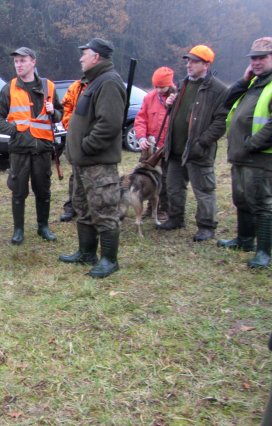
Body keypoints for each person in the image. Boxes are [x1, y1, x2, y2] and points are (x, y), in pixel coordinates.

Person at [58, 38, 126, 278]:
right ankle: (86, 253)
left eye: (84, 54)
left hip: (98, 163)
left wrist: (86, 146)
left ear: (96, 56)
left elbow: (109, 124)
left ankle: (109, 260)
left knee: (104, 208)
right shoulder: (94, 82)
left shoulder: (108, 82)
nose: (80, 58)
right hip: (83, 162)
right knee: (83, 206)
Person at [0, 47, 63, 245]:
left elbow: (60, 113)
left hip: (43, 149)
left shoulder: (49, 86)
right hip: (19, 150)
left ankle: (43, 227)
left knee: (43, 190)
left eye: (23, 60)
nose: (19, 65)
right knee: (18, 191)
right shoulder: (9, 88)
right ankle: (18, 231)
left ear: (33, 62)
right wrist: (13, 130)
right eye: (16, 61)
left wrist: (53, 113)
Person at [156, 45, 228, 242]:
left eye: (194, 61)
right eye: (188, 61)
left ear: (206, 64)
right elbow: (180, 114)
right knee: (173, 187)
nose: (189, 65)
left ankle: (206, 227)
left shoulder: (218, 89)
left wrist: (202, 143)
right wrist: (170, 106)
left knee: (204, 190)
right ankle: (175, 219)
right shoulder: (182, 84)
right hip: (175, 148)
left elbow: (222, 121)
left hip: (198, 151)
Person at [217, 37, 272, 268]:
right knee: (242, 200)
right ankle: (244, 240)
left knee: (261, 203)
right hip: (241, 155)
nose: (256, 62)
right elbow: (226, 102)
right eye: (253, 58)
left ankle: (264, 252)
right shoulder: (254, 83)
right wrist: (243, 80)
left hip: (259, 157)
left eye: (262, 58)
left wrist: (252, 144)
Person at [134, 66, 177, 221]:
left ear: (170, 84)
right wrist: (141, 138)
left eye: (162, 86)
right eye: (156, 86)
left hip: (167, 147)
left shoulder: (177, 99)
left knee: (164, 180)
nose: (158, 90)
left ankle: (163, 209)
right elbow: (140, 119)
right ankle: (150, 208)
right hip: (149, 149)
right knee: (144, 178)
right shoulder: (149, 98)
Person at [58, 78, 86, 222]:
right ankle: (71, 207)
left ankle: (88, 207)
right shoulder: (76, 87)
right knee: (76, 173)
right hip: (75, 136)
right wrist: (71, 127)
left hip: (93, 137)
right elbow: (66, 108)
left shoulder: (102, 84)